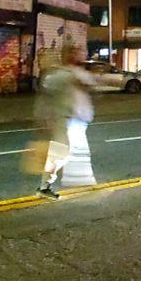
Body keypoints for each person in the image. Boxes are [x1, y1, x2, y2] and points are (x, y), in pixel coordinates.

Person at [35, 47, 97, 200]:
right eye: (74, 53)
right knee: (60, 154)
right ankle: (44, 187)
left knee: (65, 154)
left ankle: (46, 185)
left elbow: (90, 85)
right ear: (66, 55)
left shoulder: (78, 72)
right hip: (65, 120)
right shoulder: (59, 74)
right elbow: (47, 94)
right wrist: (43, 117)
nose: (79, 55)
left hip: (78, 122)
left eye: (80, 52)